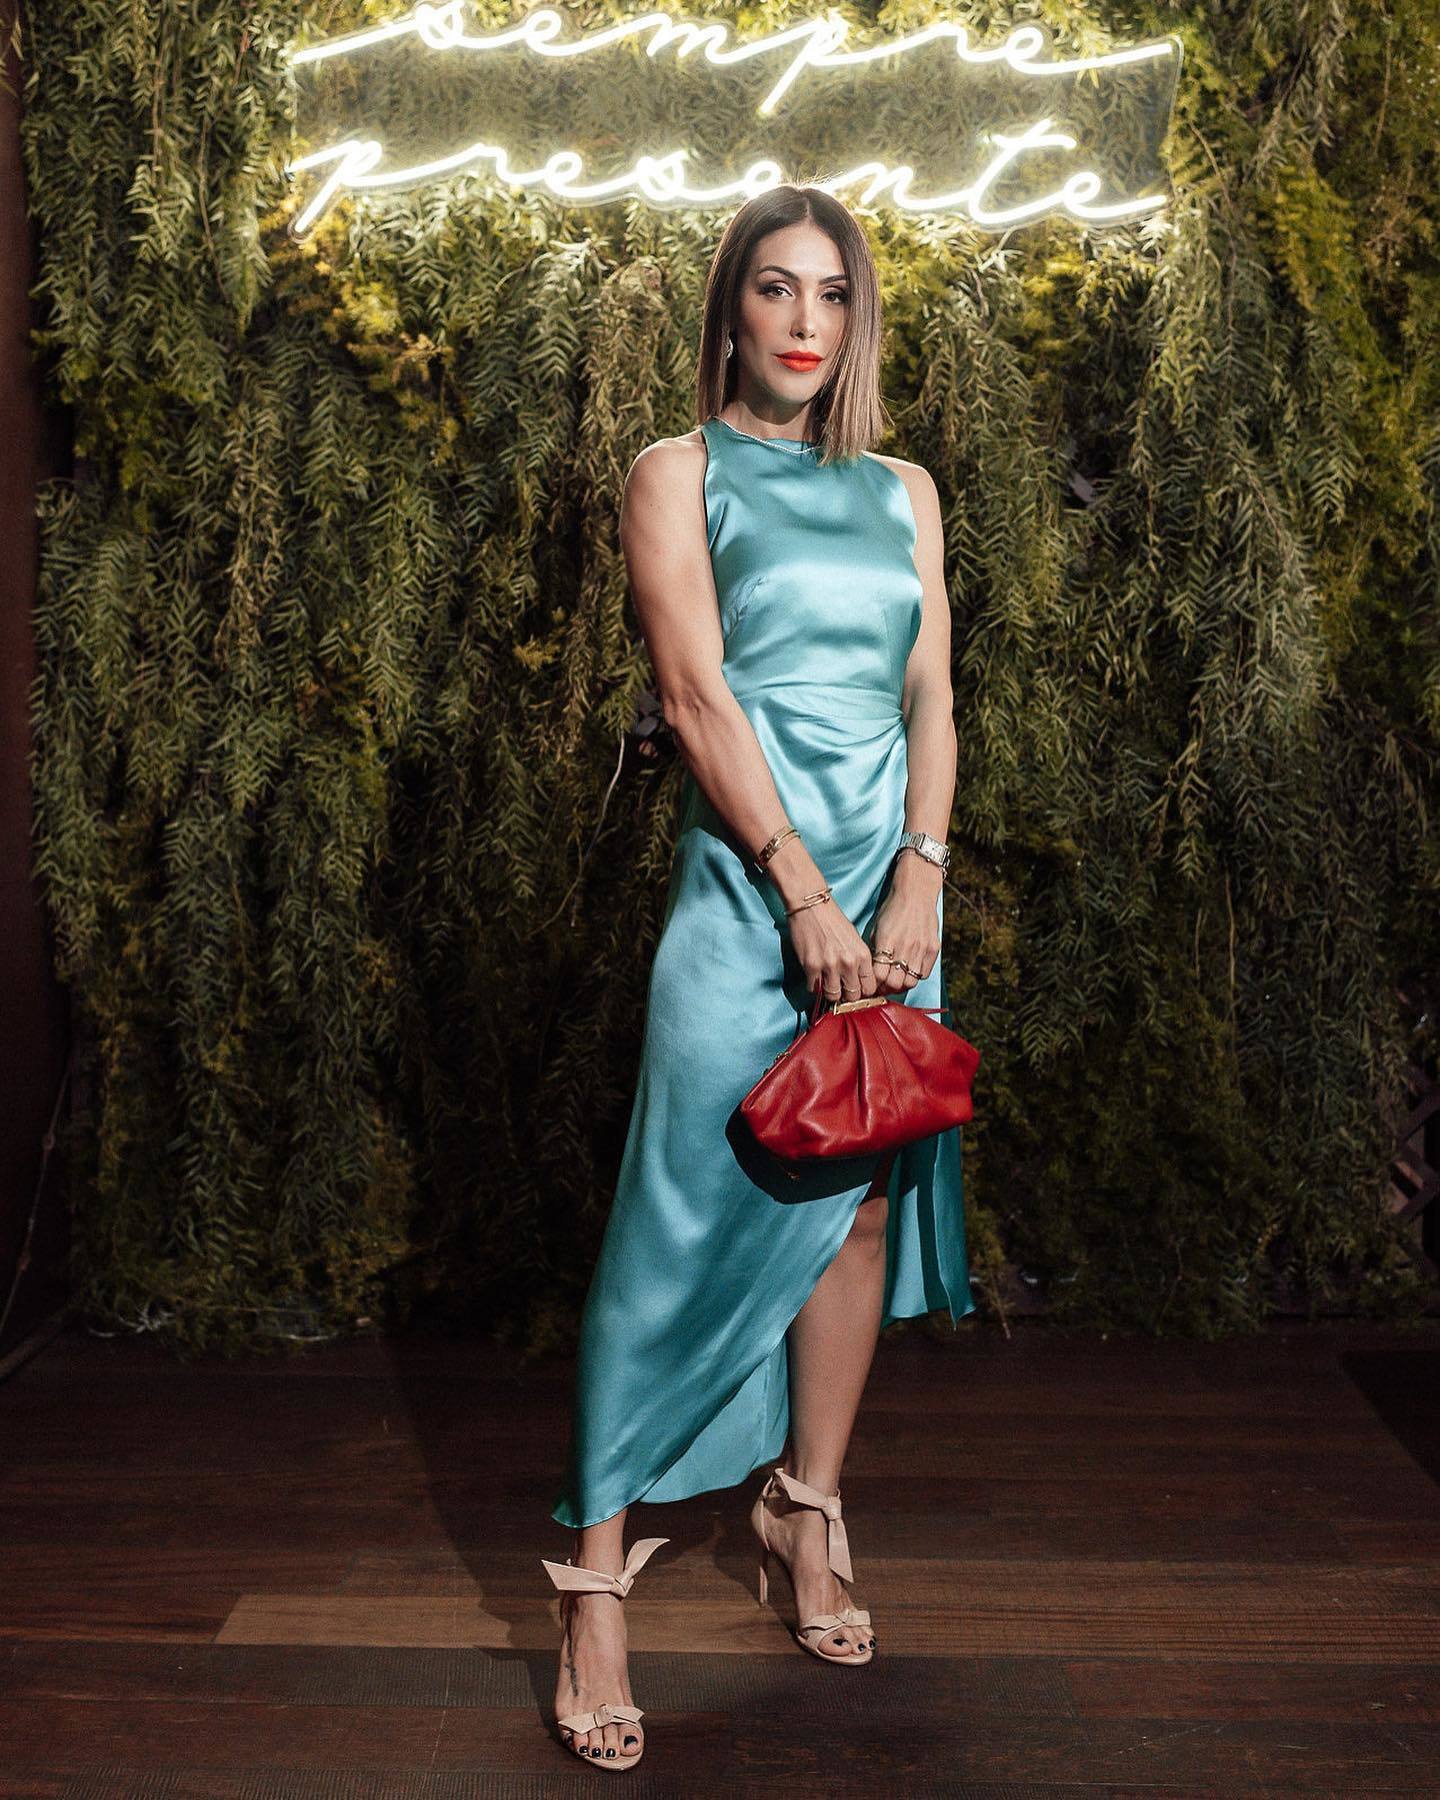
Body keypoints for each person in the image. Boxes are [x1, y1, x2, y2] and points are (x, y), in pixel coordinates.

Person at [541, 184, 975, 1772]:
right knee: (669, 1226)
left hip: (892, 894)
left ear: (859, 321)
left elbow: (933, 693)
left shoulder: (906, 489)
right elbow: (696, 698)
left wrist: (922, 868)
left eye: (833, 294)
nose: (806, 320)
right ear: (730, 309)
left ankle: (807, 1508)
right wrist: (801, 891)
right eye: (777, 289)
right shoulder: (677, 473)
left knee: (857, 1205)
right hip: (751, 893)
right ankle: (595, 1593)